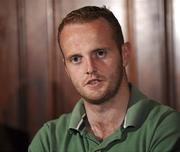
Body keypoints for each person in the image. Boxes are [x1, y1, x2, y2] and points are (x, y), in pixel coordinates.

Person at [28, 6, 180, 152]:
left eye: (100, 53)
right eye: (76, 59)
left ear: (124, 54)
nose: (90, 68)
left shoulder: (163, 126)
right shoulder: (49, 139)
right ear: (66, 69)